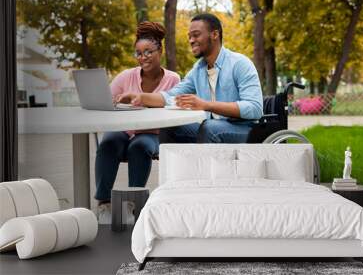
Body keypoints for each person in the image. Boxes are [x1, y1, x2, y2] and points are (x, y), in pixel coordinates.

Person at [117, 13, 263, 143]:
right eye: (189, 37)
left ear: (214, 34)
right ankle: (175, 174)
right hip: (211, 126)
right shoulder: (198, 70)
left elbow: (255, 108)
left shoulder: (239, 63)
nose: (191, 40)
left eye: (196, 35)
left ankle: (201, 174)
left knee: (209, 128)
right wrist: (138, 97)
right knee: (169, 127)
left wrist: (206, 105)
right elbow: (169, 97)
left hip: (245, 129)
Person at [95, 22, 180, 223]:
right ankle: (104, 203)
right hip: (125, 130)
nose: (143, 57)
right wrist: (116, 100)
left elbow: (174, 106)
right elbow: (105, 99)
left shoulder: (173, 79)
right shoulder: (126, 76)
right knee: (108, 143)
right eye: (139, 53)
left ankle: (135, 204)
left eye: (148, 52)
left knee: (139, 146)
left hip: (153, 133)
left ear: (160, 51)